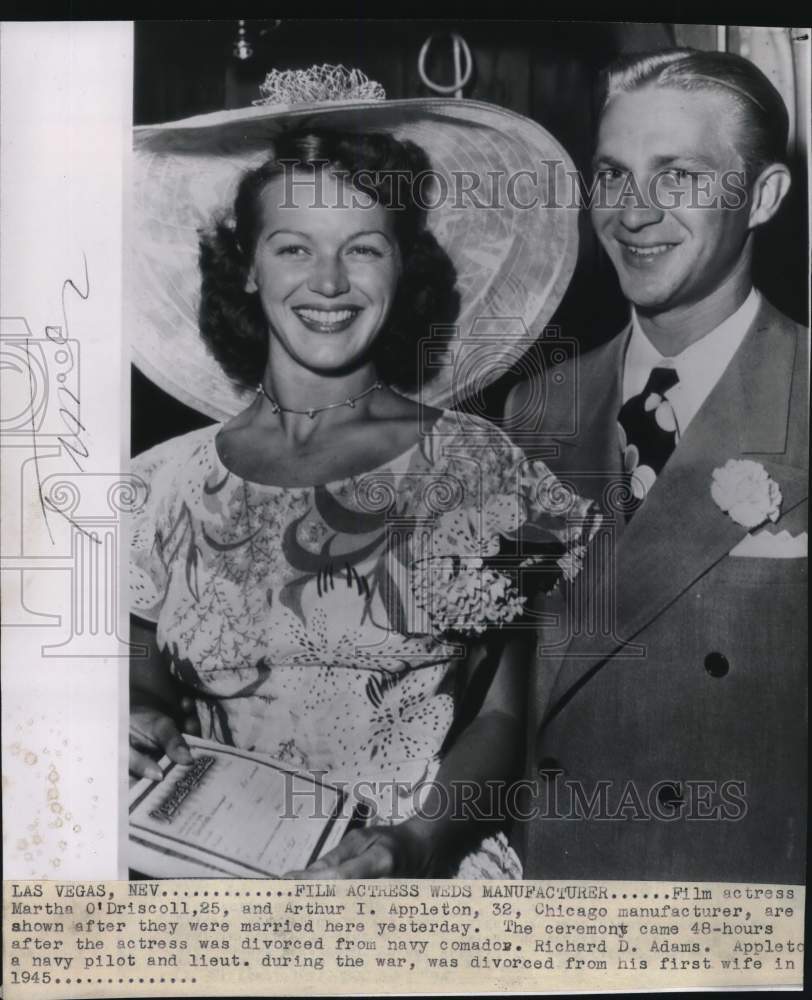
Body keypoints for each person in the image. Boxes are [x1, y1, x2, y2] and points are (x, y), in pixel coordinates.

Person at [128, 70, 587, 878]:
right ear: (246, 267)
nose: (330, 282)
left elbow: (508, 715)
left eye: (363, 248)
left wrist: (411, 843)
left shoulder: (482, 469)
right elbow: (146, 689)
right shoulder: (159, 485)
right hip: (204, 884)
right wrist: (139, 726)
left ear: (401, 268)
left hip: (417, 879)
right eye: (294, 246)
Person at [506, 48, 808, 883]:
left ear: (766, 196)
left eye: (677, 176)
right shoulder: (537, 411)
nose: (633, 213)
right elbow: (498, 691)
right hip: (552, 897)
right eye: (612, 175)